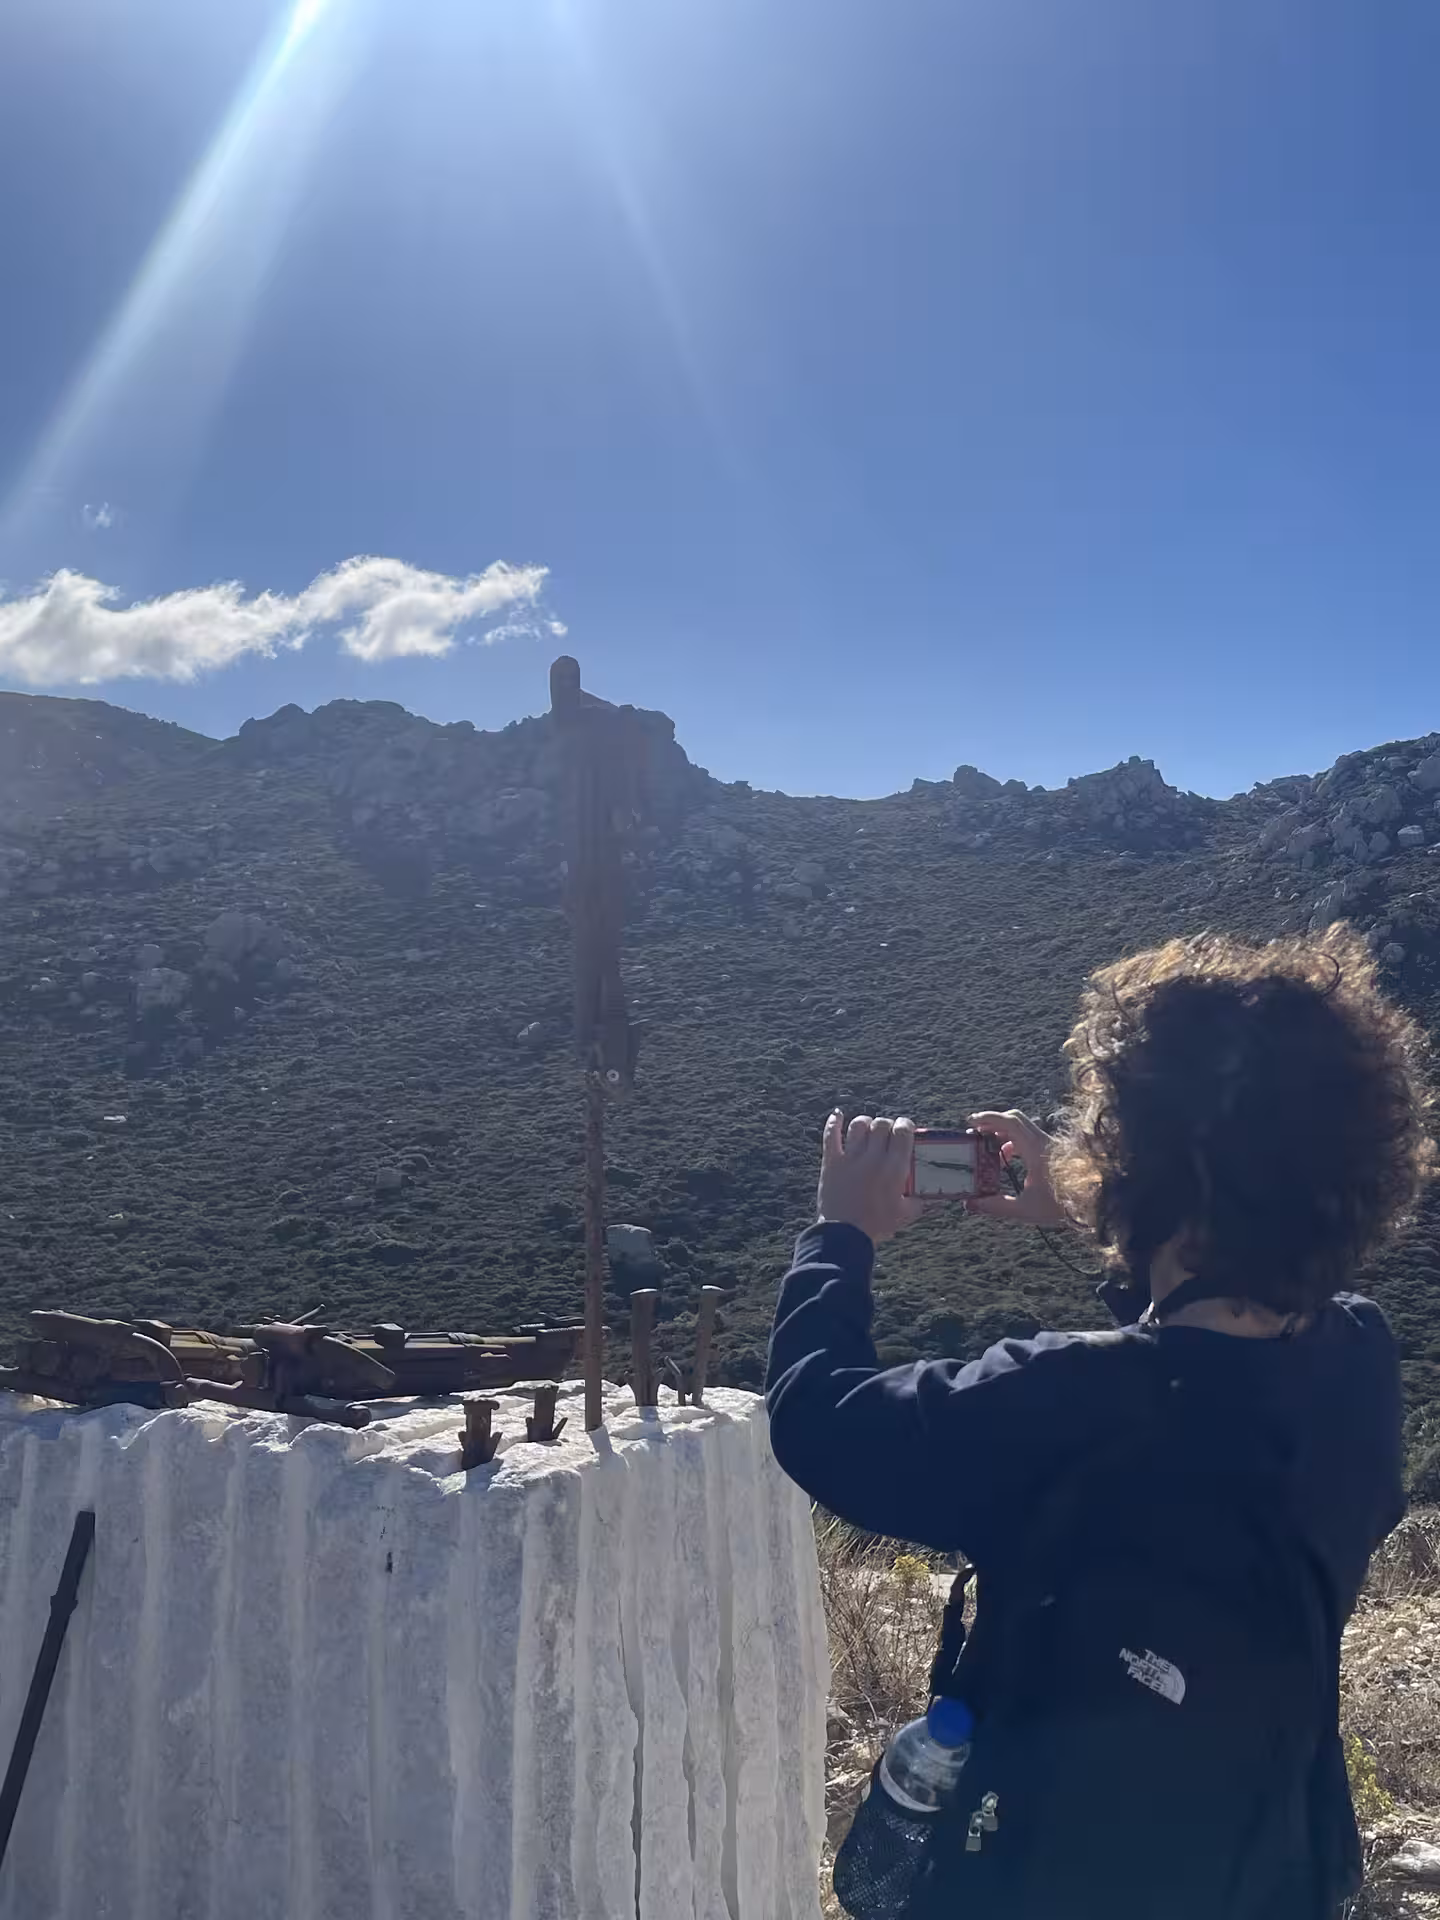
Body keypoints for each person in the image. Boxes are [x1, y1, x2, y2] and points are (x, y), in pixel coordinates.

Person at [766, 926, 1433, 1920]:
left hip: (1047, 1878)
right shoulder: (1358, 1367)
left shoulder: (1061, 1399)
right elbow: (1218, 1354)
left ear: (1139, 1166)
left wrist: (840, 1237)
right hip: (1271, 1871)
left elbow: (819, 1417)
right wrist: (1119, 1221)